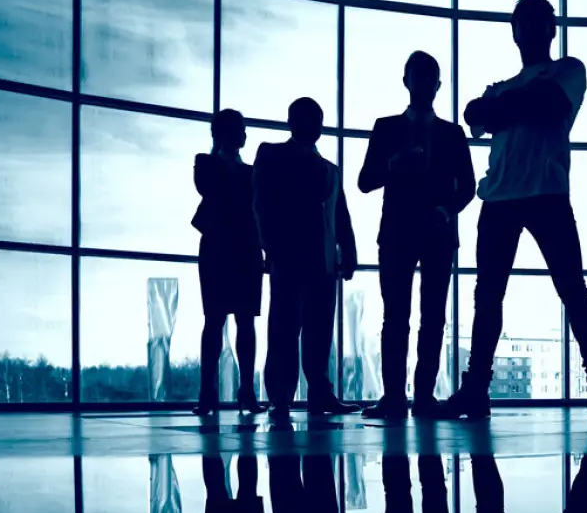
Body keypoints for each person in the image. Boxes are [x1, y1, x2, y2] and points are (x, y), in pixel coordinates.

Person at [436, 0, 587, 422]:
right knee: (493, 297)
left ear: (551, 29)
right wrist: (519, 104)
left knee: (570, 291)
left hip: (542, 195)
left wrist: (506, 108)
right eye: (526, 21)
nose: (533, 28)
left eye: (540, 20)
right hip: (504, 198)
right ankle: (478, 390)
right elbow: (474, 115)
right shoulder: (510, 87)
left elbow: (541, 106)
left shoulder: (568, 71)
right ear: (515, 31)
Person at [358, 52, 477, 420]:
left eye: (430, 78)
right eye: (419, 77)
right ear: (407, 81)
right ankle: (398, 396)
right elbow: (365, 181)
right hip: (399, 234)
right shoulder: (386, 128)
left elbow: (469, 187)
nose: (424, 84)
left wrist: (445, 211)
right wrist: (393, 164)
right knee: (399, 315)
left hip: (432, 232)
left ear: (437, 85)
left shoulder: (453, 134)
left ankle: (418, 396)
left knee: (430, 317)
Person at [254, 97, 361, 420]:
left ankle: (318, 393)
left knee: (319, 331)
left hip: (323, 262)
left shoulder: (331, 169)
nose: (315, 125)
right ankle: (282, 397)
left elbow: (340, 213)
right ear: (292, 122)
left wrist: (349, 250)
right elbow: (261, 204)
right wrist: (270, 247)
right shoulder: (271, 155)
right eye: (308, 118)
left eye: (317, 119)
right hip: (289, 257)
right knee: (285, 329)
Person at [191, 109, 266, 416]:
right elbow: (210, 189)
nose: (244, 134)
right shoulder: (208, 164)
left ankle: (243, 392)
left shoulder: (246, 172)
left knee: (243, 322)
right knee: (216, 320)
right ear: (223, 134)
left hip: (239, 250)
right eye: (239, 129)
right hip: (222, 251)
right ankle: (211, 393)